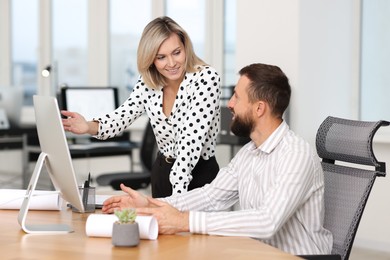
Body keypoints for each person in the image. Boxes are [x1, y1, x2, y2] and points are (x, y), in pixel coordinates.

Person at [101, 63, 333, 255]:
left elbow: (267, 221)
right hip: (258, 253)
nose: (229, 104)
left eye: (237, 97)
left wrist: (184, 221)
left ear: (259, 108)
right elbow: (212, 196)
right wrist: (152, 204)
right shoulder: (250, 152)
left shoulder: (295, 154)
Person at [62, 16, 221, 198]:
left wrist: (177, 200)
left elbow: (190, 141)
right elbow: (122, 116)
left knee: (192, 227)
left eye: (176, 52)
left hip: (198, 175)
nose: (171, 63)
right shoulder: (148, 83)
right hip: (162, 172)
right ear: (151, 59)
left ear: (186, 47)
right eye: (161, 57)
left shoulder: (206, 78)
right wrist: (88, 126)